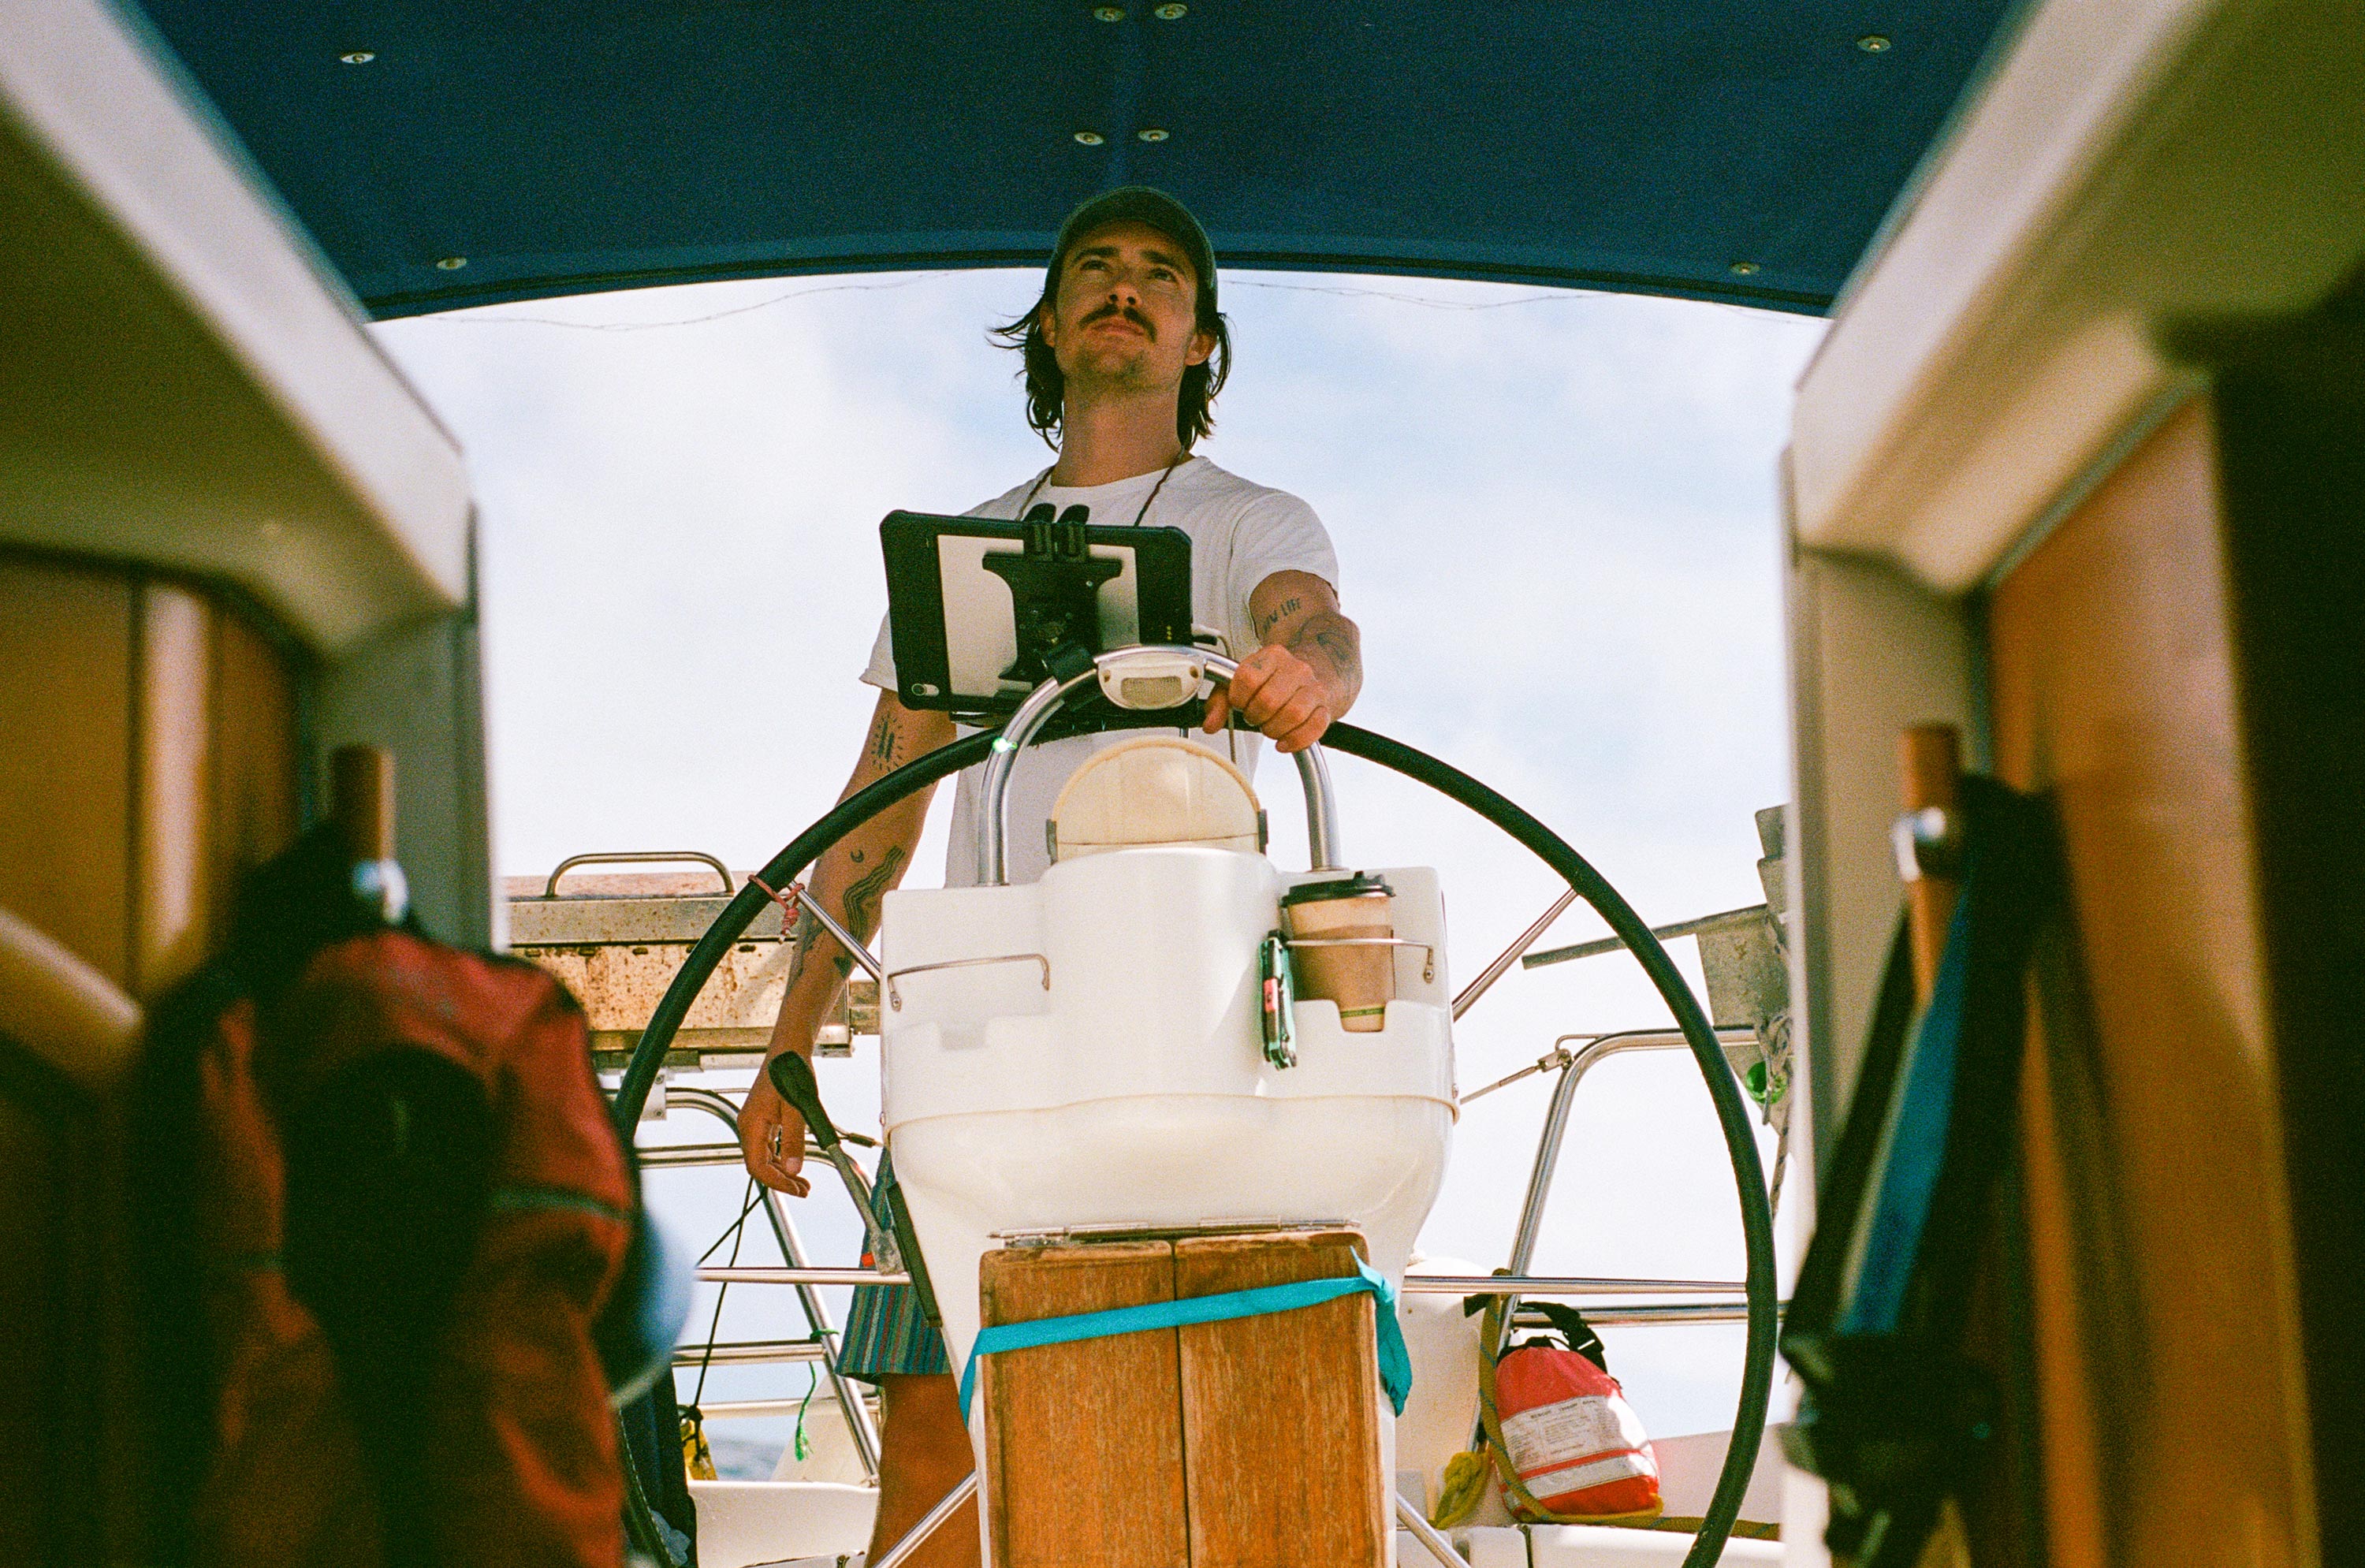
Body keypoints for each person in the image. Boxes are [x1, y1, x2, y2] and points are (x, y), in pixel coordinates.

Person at [736, 187, 1361, 1566]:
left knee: (1195, 1409)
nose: (1125, 288)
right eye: (1096, 267)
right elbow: (880, 807)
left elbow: (1311, 624)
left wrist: (1310, 672)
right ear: (1052, 321)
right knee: (931, 1439)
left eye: (1159, 276)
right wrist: (791, 1037)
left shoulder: (1249, 518)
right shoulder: (962, 544)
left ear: (1201, 340)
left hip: (1187, 1026)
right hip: (982, 1036)